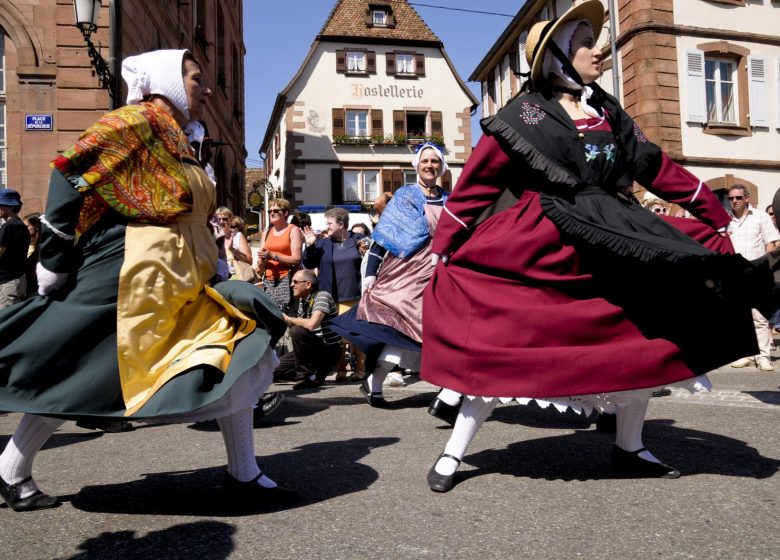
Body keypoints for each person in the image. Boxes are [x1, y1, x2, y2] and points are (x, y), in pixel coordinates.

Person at [420, 0, 767, 493]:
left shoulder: (605, 110)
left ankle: (631, 447)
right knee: (510, 345)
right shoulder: (523, 116)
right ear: (558, 56)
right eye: (585, 42)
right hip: (544, 242)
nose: (599, 49)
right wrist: (445, 245)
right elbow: (476, 185)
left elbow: (656, 167)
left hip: (616, 235)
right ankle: (455, 451)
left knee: (645, 339)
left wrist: (716, 217)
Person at [0, 49, 294, 512]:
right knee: (82, 369)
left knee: (237, 351)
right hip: (137, 276)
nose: (208, 89)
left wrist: (215, 260)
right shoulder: (134, 121)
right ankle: (10, 469)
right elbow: (69, 173)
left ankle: (244, 473)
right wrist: (53, 259)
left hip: (184, 273)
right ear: (168, 82)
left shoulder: (179, 136)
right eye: (197, 79)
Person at [330, 142, 449, 406]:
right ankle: (376, 383)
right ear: (416, 166)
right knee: (403, 330)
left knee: (440, 332)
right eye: (425, 161)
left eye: (435, 162)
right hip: (405, 275)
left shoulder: (449, 200)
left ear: (442, 167)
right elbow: (383, 239)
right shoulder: (406, 196)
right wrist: (370, 273)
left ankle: (447, 391)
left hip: (441, 273)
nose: (430, 166)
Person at [302, 207, 366, 381]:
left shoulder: (358, 240)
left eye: (329, 223)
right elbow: (309, 262)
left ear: (341, 224)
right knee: (336, 336)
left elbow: (370, 256)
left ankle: (360, 368)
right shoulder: (323, 243)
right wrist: (310, 245)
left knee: (356, 334)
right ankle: (341, 368)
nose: (327, 226)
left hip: (354, 295)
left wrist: (364, 250)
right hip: (331, 296)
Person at [727, 184, 779, 372]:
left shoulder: (761, 217)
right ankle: (746, 355)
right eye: (731, 198)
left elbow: (771, 244)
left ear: (747, 198)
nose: (734, 201)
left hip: (757, 273)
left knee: (759, 317)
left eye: (738, 197)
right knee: (741, 317)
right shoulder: (726, 221)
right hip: (735, 275)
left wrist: (766, 269)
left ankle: (763, 356)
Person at [272, 269, 342, 389]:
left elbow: (311, 324)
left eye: (295, 281)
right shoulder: (303, 301)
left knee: (297, 331)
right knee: (271, 372)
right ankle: (311, 376)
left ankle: (306, 376)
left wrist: (288, 319)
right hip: (310, 350)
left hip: (328, 350)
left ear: (308, 284)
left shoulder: (322, 296)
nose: (291, 285)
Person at [256, 198, 302, 310]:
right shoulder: (267, 232)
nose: (272, 213)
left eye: (276, 211)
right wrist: (261, 263)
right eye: (270, 211)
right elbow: (261, 258)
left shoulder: (293, 230)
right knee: (269, 313)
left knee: (283, 314)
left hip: (286, 279)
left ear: (285, 213)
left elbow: (297, 259)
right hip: (268, 280)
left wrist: (273, 256)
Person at [0, 189, 31, 308]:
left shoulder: (8, 226)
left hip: (7, 284)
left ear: (11, 207)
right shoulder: (20, 225)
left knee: (5, 322)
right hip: (17, 281)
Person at [23, 213, 41, 297]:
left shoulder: (41, 246)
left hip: (36, 290)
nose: (23, 229)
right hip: (25, 289)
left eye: (27, 226)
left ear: (36, 227)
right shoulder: (23, 244)